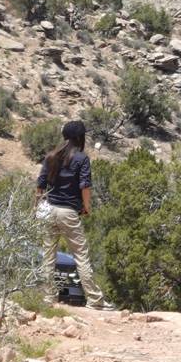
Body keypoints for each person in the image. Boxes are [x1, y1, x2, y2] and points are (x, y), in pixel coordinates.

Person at [36, 120, 108, 309]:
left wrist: (36, 207)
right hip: (68, 212)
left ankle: (48, 298)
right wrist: (86, 207)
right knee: (81, 256)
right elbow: (85, 186)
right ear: (80, 137)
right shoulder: (81, 159)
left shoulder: (51, 156)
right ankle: (95, 299)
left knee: (48, 256)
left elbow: (40, 185)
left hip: (48, 209)